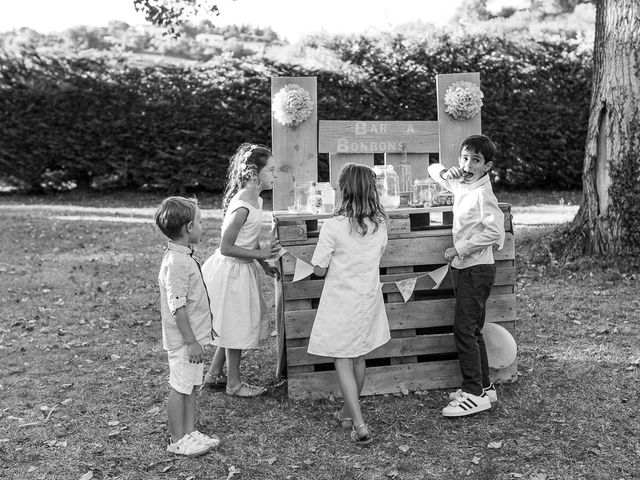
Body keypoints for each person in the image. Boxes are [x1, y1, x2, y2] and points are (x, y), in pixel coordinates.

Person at [307, 163, 390, 446]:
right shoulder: (380, 225)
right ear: (371, 191)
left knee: (342, 358)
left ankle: (359, 423)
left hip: (341, 301)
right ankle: (346, 412)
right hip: (367, 299)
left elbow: (318, 268)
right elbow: (378, 255)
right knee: (359, 356)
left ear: (343, 191)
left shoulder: (333, 226)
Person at [427, 134, 505, 417]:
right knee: (472, 329)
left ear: (488, 166)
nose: (468, 164)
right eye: (464, 157)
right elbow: (433, 170)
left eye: (475, 160)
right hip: (465, 270)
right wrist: (448, 171)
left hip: (477, 269)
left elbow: (496, 232)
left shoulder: (484, 193)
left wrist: (460, 248)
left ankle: (473, 393)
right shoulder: (462, 181)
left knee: (463, 329)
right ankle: (484, 386)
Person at [201, 143, 280, 398]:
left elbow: (251, 237)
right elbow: (226, 247)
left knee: (230, 323)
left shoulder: (256, 199)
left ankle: (213, 374)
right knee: (235, 327)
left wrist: (263, 264)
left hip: (243, 269)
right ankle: (234, 384)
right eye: (271, 170)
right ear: (254, 173)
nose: (275, 175)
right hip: (230, 272)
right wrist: (261, 254)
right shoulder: (242, 206)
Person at [155, 196, 220, 456]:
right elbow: (178, 306)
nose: (204, 227)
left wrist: (204, 331)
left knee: (192, 386)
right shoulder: (177, 262)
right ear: (190, 227)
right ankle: (176, 439)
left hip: (193, 339)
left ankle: (189, 432)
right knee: (179, 388)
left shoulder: (183, 256)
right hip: (184, 342)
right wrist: (192, 341)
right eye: (201, 222)